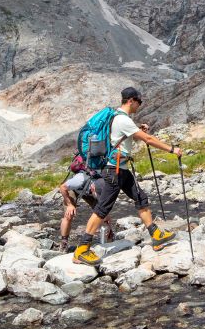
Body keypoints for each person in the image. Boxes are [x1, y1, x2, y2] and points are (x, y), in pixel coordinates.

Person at [73, 87, 182, 265]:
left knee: (140, 198)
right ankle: (82, 249)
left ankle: (156, 235)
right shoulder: (122, 119)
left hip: (121, 169)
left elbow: (122, 136)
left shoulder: (119, 118)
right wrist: (172, 149)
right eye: (139, 102)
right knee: (103, 209)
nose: (140, 105)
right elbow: (149, 140)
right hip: (114, 171)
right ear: (131, 100)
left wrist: (138, 129)